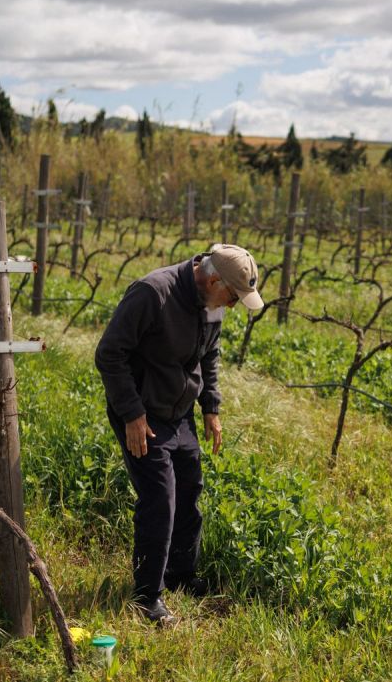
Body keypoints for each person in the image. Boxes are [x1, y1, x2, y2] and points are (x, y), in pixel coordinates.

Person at [95, 243, 264, 625]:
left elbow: (209, 355)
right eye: (233, 297)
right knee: (160, 500)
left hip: (180, 411)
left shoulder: (212, 302)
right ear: (213, 278)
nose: (233, 306)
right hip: (143, 413)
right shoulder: (153, 293)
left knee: (189, 489)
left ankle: (181, 576)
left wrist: (211, 407)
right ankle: (147, 597)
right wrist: (132, 414)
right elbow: (109, 354)